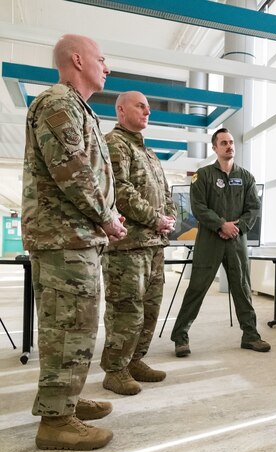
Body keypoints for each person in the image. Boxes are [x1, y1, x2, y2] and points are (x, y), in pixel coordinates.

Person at [22, 34, 127, 450]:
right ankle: (55, 422)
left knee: (77, 326)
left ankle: (66, 398)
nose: (107, 66)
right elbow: (73, 171)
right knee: (67, 327)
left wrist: (106, 215)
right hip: (62, 236)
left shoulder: (76, 108)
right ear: (78, 59)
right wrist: (107, 218)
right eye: (102, 59)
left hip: (74, 236)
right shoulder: (58, 104)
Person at [100, 91, 176, 395]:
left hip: (154, 244)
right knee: (125, 309)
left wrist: (168, 218)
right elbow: (121, 190)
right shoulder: (114, 144)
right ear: (121, 110)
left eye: (148, 107)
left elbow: (165, 192)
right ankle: (115, 369)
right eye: (140, 106)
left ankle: (134, 360)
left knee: (149, 309)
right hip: (128, 246)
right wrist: (155, 218)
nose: (147, 111)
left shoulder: (149, 152)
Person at [170, 128, 269, 356]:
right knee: (197, 287)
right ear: (214, 148)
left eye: (231, 142)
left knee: (243, 287)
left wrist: (237, 228)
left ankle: (251, 335)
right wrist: (221, 225)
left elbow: (253, 208)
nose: (229, 146)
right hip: (209, 240)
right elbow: (199, 207)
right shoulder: (203, 175)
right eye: (223, 142)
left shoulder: (245, 177)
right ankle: (180, 337)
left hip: (237, 241)